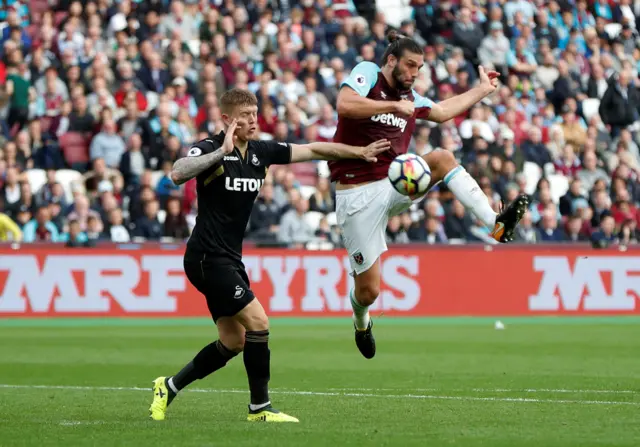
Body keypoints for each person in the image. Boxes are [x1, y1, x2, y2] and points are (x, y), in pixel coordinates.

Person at [149, 88, 390, 423]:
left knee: (233, 341)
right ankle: (259, 408)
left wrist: (359, 152)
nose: (252, 120)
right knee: (259, 322)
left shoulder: (261, 152)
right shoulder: (210, 148)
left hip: (229, 258)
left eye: (255, 113)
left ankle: (169, 386)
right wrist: (221, 151)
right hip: (206, 257)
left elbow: (315, 149)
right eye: (245, 115)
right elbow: (178, 172)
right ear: (227, 120)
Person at [331, 31, 529, 359]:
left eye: (419, 68)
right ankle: (361, 321)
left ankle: (495, 223)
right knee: (369, 292)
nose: (414, 74)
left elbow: (440, 111)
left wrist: (482, 90)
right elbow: (344, 104)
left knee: (441, 158)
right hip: (356, 194)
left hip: (393, 184)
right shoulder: (368, 74)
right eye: (409, 66)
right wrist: (393, 105)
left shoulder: (412, 99)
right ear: (391, 61)